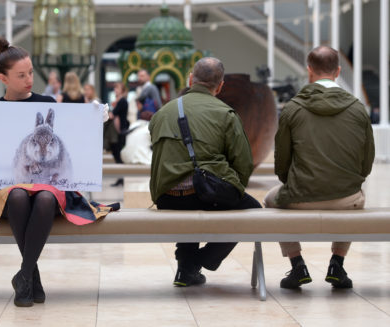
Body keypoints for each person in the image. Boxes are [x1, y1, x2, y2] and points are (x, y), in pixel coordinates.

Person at [0, 37, 110, 308]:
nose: (29, 79)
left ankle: (24, 275)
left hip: (49, 190)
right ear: (3, 78)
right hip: (13, 189)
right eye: (21, 75)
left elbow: (70, 141)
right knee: (17, 197)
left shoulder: (46, 101)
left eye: (31, 72)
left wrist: (96, 120)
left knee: (45, 198)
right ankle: (31, 276)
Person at [263, 46, 375, 289]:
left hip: (300, 195)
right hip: (347, 198)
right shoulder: (358, 109)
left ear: (309, 71)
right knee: (358, 197)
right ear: (337, 71)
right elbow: (367, 162)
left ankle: (297, 265)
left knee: (270, 199)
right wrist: (352, 182)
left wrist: (291, 183)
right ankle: (337, 263)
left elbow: (281, 161)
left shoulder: (292, 108)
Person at [149, 57, 261, 287]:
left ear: (191, 79)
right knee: (252, 211)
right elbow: (243, 163)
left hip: (166, 197)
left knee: (190, 193)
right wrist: (231, 188)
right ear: (220, 86)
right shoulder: (225, 113)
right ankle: (197, 262)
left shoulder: (162, 112)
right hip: (204, 195)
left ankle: (184, 270)